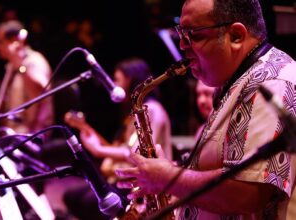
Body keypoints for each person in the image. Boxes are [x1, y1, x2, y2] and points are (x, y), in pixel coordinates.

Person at [115, 0, 296, 219]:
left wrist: (167, 178)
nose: (182, 45)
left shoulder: (270, 82)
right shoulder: (236, 83)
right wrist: (168, 171)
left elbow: (248, 193)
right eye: (181, 33)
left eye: (194, 34)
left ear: (236, 36)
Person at [63, 58, 173, 219]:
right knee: (73, 196)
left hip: (146, 187)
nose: (113, 86)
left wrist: (98, 150)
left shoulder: (153, 109)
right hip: (132, 182)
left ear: (131, 79)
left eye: (117, 80)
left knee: (86, 201)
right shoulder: (134, 113)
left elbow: (135, 152)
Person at [0, 20, 53, 134]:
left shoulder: (34, 61)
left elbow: (41, 91)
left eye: (0, 42)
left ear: (14, 41)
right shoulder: (12, 65)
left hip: (34, 135)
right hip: (14, 133)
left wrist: (21, 66)